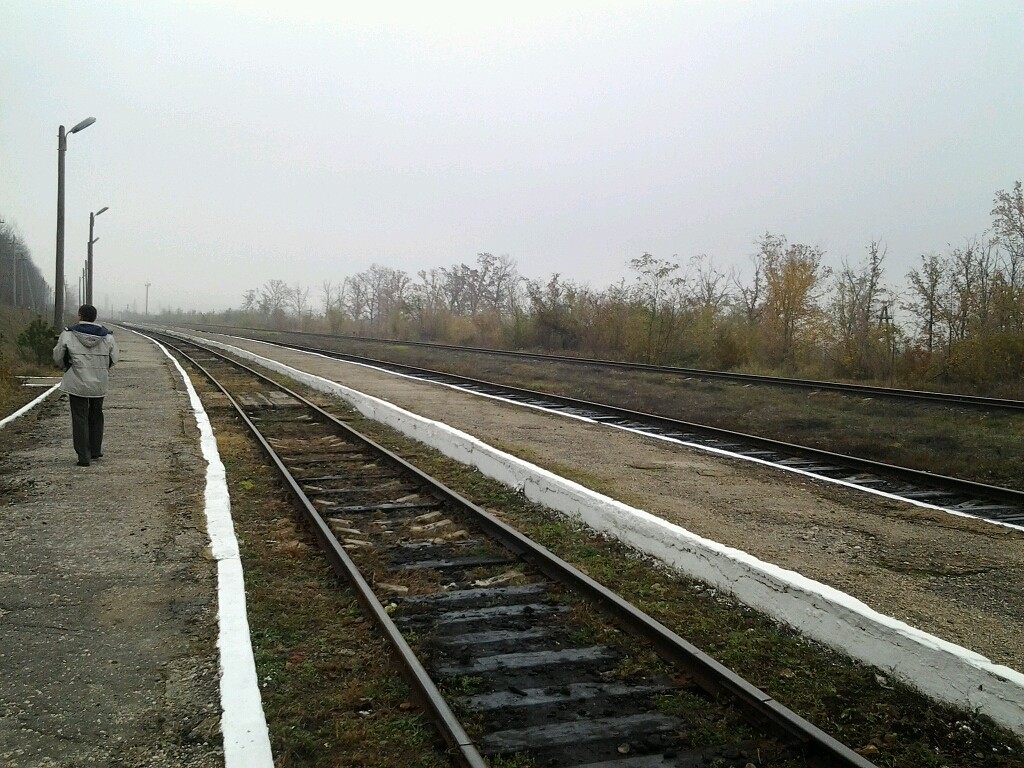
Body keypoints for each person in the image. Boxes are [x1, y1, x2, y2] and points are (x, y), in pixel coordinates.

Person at [52, 304, 120, 467]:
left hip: (77, 381)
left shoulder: (68, 334)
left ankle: (83, 456)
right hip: (99, 382)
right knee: (96, 414)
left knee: (79, 417)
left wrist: (65, 367)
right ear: (94, 317)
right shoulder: (107, 337)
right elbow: (114, 357)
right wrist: (103, 369)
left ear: (80, 316)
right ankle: (95, 451)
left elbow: (58, 356)